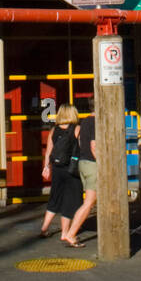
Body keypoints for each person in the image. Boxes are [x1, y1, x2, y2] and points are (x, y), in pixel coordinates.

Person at [39, 104, 84, 245]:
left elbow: (48, 152)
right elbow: (82, 149)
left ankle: (44, 228)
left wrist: (47, 167)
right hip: (72, 169)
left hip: (57, 169)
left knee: (55, 198)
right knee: (71, 201)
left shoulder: (53, 130)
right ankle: (65, 233)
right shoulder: (77, 129)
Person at [63, 98, 97, 246]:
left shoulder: (85, 122)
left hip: (83, 163)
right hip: (92, 163)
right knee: (89, 202)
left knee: (91, 201)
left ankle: (70, 232)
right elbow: (94, 146)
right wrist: (103, 165)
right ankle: (71, 234)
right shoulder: (96, 122)